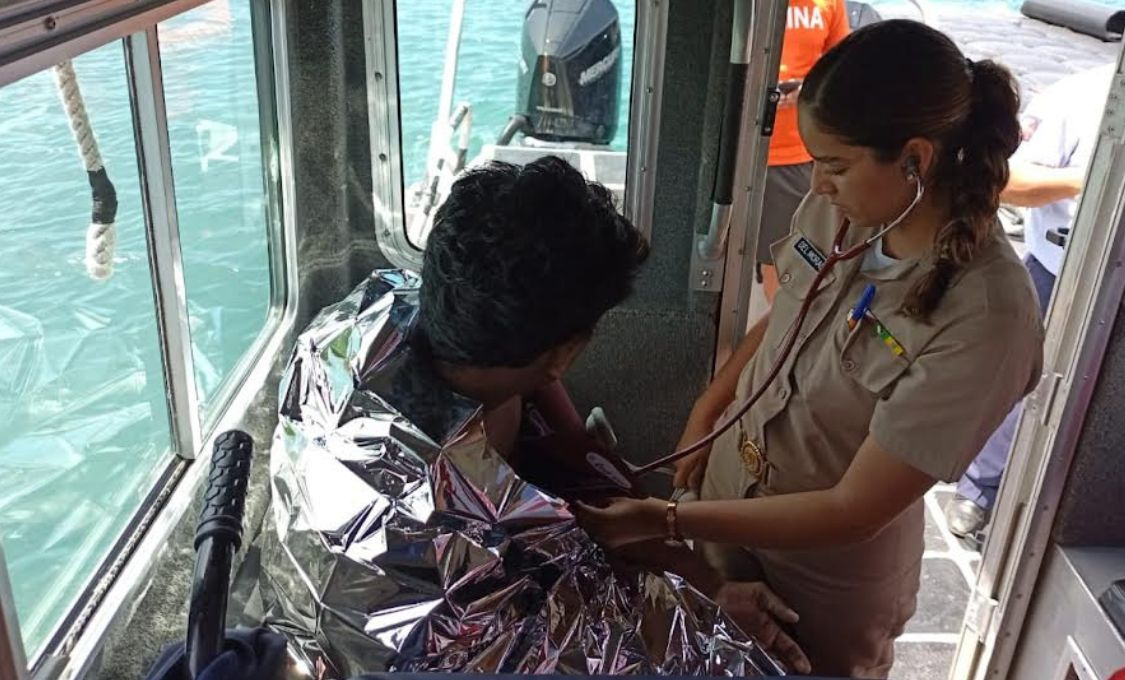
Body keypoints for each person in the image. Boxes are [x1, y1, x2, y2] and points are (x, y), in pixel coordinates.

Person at [575, 20, 1044, 678]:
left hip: (828, 570)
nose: (818, 184)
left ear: (916, 158)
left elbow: (854, 509)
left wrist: (666, 520)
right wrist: (711, 409)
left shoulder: (988, 316)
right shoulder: (846, 209)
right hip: (730, 497)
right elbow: (789, 315)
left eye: (835, 165)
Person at [260, 156, 809, 675]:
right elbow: (604, 628)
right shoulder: (481, 523)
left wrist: (580, 447)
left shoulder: (383, 307)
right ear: (566, 353)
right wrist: (715, 599)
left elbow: (555, 430)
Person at [947, 63, 1116, 538]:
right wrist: (1093, 178)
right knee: (1016, 382)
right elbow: (1009, 180)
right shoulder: (1082, 95)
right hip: (1059, 267)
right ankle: (980, 490)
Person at [759, 0, 852, 303]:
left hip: (799, 153)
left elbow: (842, 69)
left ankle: (780, 337)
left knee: (788, 262)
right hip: (739, 149)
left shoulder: (829, 3)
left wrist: (808, 90)